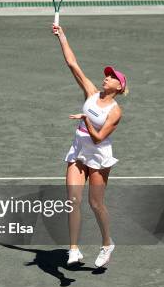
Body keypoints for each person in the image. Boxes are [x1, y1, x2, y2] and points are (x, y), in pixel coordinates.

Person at [52, 24, 128, 269]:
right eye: (107, 75)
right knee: (72, 200)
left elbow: (98, 138)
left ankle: (107, 243)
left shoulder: (115, 111)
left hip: (97, 153)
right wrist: (62, 36)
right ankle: (73, 249)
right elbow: (73, 65)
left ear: (120, 87)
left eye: (112, 77)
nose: (107, 77)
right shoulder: (91, 92)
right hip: (78, 150)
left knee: (95, 204)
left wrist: (85, 119)